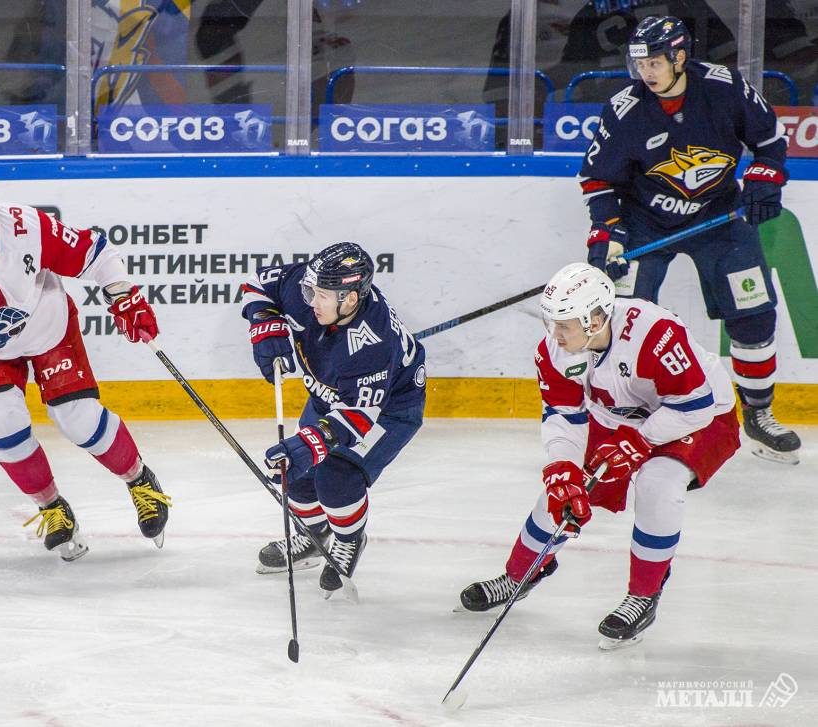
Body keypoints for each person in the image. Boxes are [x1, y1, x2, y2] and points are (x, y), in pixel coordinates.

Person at [0, 159, 171, 561]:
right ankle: (52, 507)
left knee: (76, 418)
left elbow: (94, 252)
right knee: (2, 421)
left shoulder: (27, 228)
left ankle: (139, 479)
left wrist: (122, 292)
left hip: (49, 331)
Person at [459, 263, 739, 649]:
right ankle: (519, 575)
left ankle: (643, 595)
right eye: (551, 322)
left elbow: (695, 406)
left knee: (659, 483)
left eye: (565, 324)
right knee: (562, 494)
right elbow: (563, 415)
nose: (555, 334)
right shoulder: (553, 351)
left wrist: (639, 442)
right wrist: (563, 467)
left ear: (595, 318)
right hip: (618, 419)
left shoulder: (654, 334)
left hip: (697, 417)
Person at [579, 15, 801, 464]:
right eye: (639, 63)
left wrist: (763, 178)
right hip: (645, 223)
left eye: (655, 62)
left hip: (719, 217)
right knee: (618, 322)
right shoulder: (625, 109)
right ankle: (618, 422)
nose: (646, 72)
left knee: (754, 312)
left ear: (680, 56)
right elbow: (597, 181)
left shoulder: (723, 88)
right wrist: (608, 232)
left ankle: (758, 414)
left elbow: (770, 141)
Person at [240, 242, 426, 597]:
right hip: (330, 393)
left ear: (351, 298)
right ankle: (313, 537)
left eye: (323, 295)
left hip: (388, 409)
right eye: (311, 290)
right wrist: (264, 322)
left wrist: (311, 444)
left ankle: (349, 538)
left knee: (336, 477)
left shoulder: (372, 342)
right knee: (295, 478)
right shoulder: (308, 288)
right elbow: (257, 283)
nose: (311, 301)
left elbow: (359, 416)